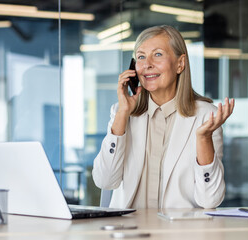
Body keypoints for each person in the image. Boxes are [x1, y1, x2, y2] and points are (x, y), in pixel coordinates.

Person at [92, 25, 234, 209]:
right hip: (129, 232)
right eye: (141, 57)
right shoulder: (122, 112)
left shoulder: (206, 115)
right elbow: (105, 181)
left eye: (157, 54)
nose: (147, 64)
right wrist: (122, 115)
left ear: (180, 64)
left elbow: (210, 200)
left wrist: (204, 138)